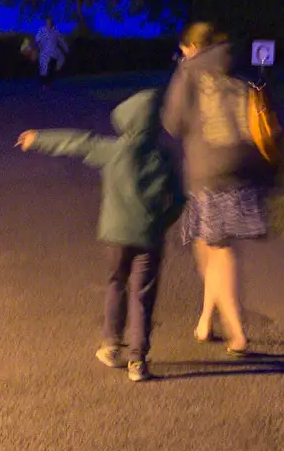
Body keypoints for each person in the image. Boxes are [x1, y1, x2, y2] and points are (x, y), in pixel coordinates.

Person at [16, 90, 183, 382]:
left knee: (116, 283)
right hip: (150, 238)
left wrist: (38, 138)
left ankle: (111, 345)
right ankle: (138, 361)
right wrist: (162, 223)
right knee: (143, 295)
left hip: (116, 236)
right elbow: (180, 198)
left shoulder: (115, 150)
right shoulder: (164, 158)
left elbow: (79, 142)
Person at [162, 22, 271, 356]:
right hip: (242, 165)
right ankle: (206, 321)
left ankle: (237, 332)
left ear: (192, 47)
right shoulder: (237, 66)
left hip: (209, 171)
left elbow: (172, 122)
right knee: (207, 247)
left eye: (183, 48)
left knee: (218, 250)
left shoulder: (190, 71)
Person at [34, 18, 69, 85]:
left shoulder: (55, 31)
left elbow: (61, 40)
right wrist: (39, 47)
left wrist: (66, 49)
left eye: (50, 22)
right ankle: (44, 82)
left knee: (61, 58)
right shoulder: (41, 30)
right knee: (44, 68)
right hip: (44, 51)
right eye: (47, 22)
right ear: (45, 23)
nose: (49, 24)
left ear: (52, 23)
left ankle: (56, 69)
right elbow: (37, 40)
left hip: (54, 50)